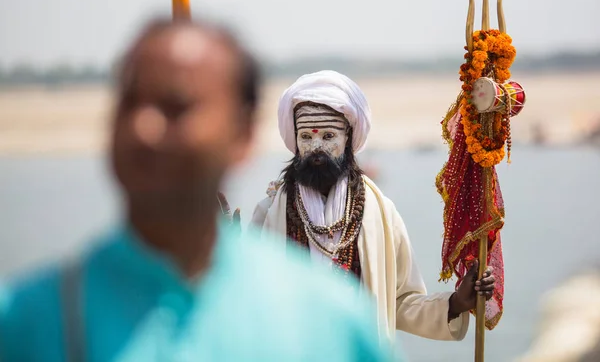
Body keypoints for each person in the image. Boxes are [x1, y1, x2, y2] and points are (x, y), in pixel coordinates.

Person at [0, 20, 393, 361]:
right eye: (131, 102)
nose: (144, 128)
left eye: (177, 106)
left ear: (242, 135)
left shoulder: (331, 319)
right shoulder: (28, 318)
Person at [246, 70, 496, 343]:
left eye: (328, 136)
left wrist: (456, 303)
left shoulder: (380, 214)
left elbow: (400, 302)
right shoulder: (270, 214)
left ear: (349, 139)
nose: (316, 147)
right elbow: (246, 302)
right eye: (306, 137)